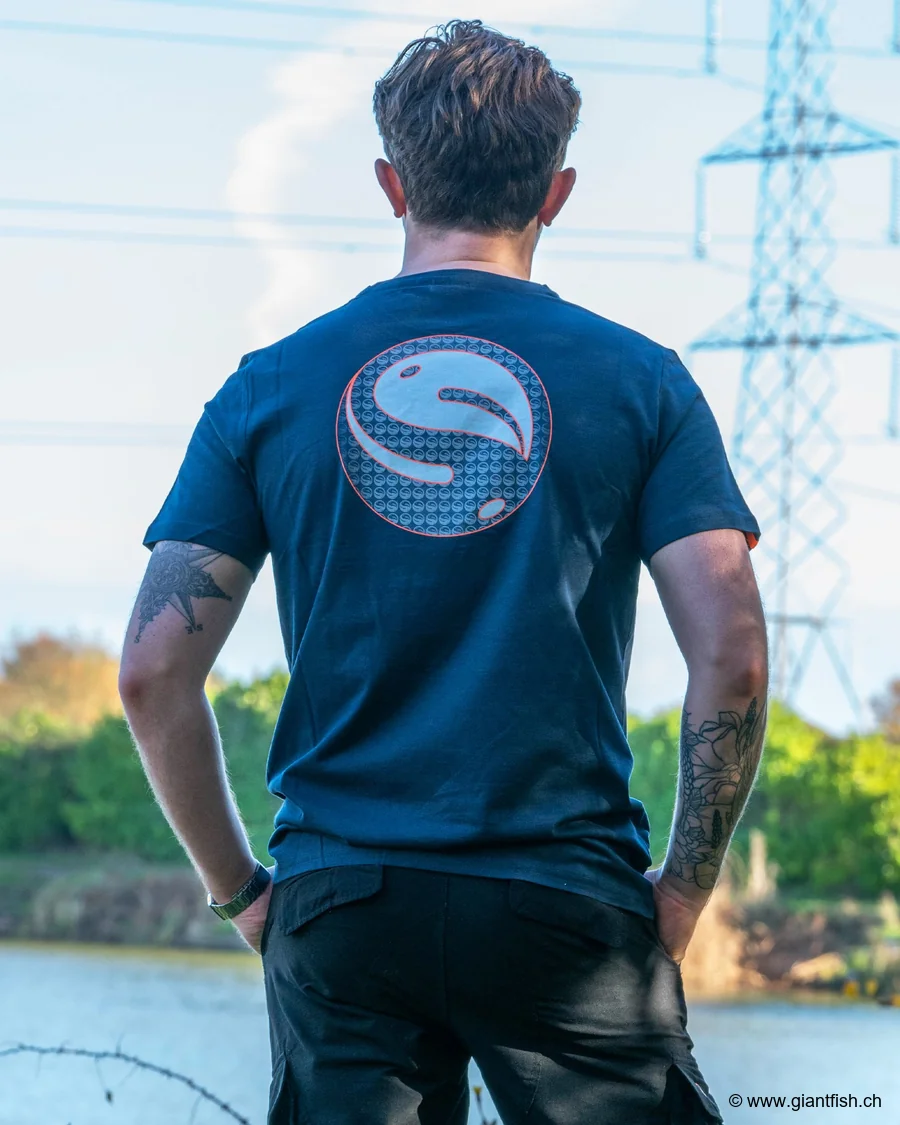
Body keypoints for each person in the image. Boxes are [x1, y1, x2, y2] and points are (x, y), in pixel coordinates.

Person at [118, 19, 768, 1125]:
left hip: (342, 907)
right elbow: (735, 657)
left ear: (391, 184)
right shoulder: (644, 384)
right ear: (556, 194)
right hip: (565, 903)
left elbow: (150, 674)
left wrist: (245, 895)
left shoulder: (268, 387)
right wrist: (683, 891)